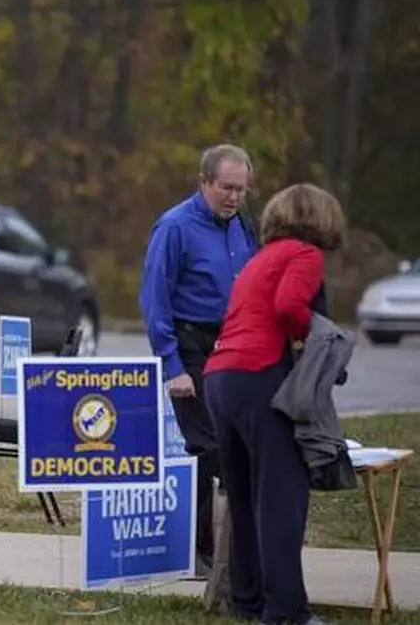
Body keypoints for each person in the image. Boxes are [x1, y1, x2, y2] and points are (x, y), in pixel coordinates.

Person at [203, 184, 346, 625]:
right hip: (260, 375)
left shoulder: (258, 259)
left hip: (220, 377)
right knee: (281, 498)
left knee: (244, 496)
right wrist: (311, 337)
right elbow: (288, 306)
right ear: (320, 219)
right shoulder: (304, 254)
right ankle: (286, 613)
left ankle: (248, 602)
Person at [138, 144, 259, 576]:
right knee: (208, 450)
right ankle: (202, 552)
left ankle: (233, 549)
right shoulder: (174, 227)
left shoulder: (243, 227)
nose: (233, 197)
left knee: (237, 447)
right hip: (190, 345)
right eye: (226, 188)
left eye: (240, 189)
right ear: (204, 182)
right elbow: (155, 299)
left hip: (234, 345)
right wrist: (173, 366)